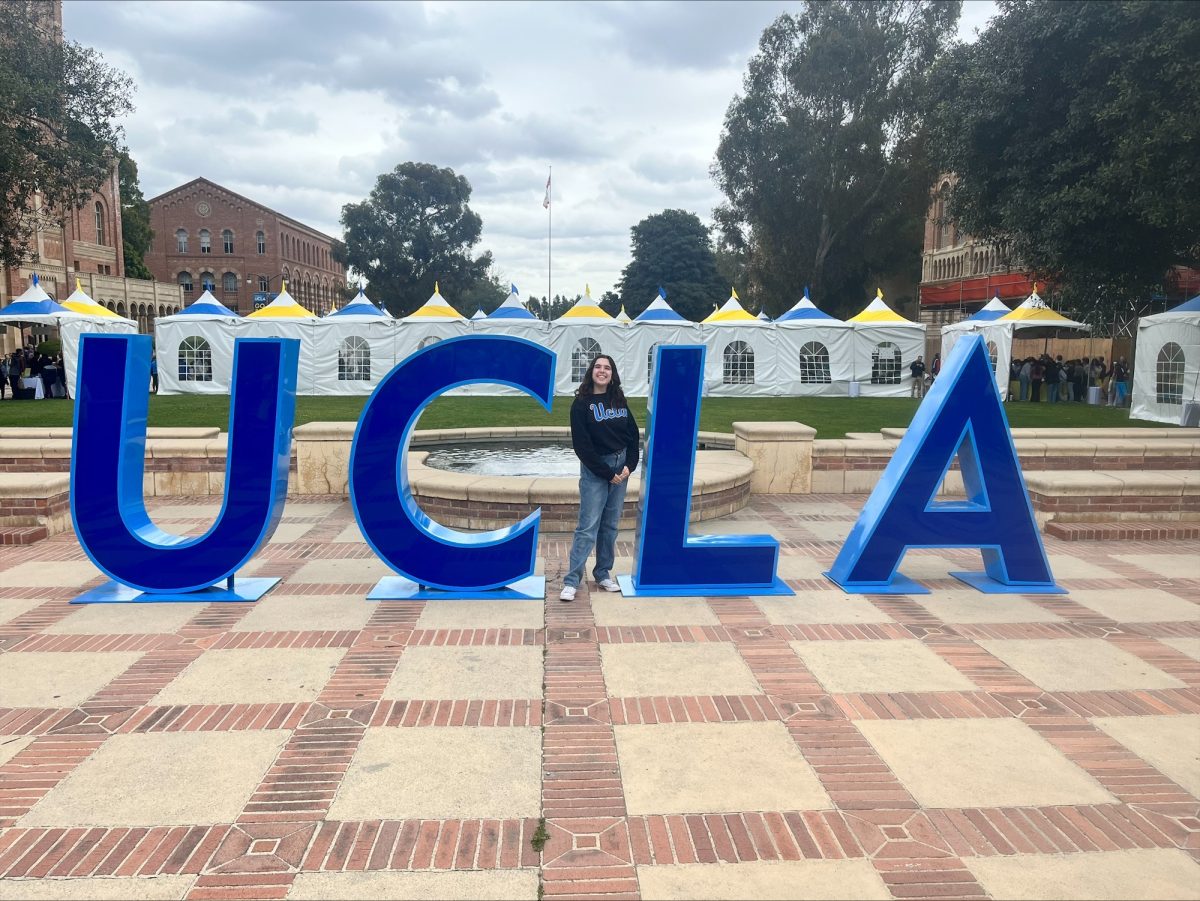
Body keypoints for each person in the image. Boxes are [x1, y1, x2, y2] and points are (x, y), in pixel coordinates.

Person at [560, 354, 640, 602]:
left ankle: (603, 573)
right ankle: (572, 581)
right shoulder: (581, 404)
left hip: (621, 467)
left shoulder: (618, 400)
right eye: (598, 367)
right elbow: (582, 447)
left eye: (607, 368)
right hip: (597, 470)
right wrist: (608, 473)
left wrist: (629, 466)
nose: (602, 371)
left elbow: (633, 435)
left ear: (612, 373)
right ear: (591, 372)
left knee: (610, 526)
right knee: (587, 527)